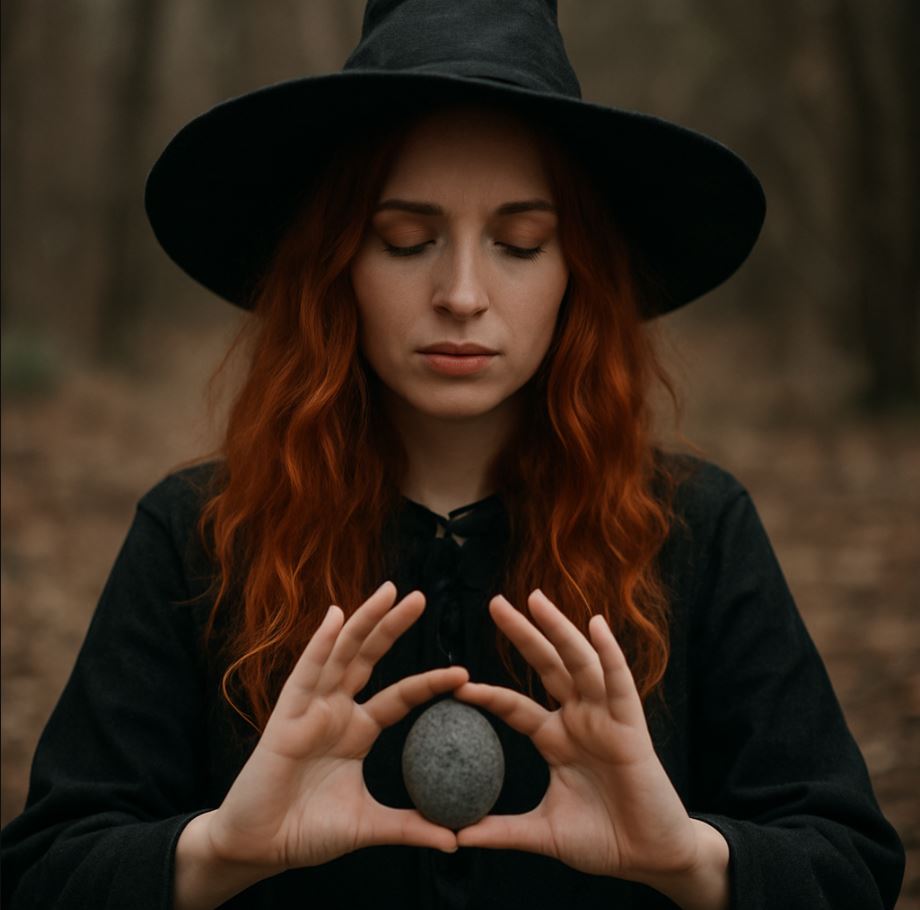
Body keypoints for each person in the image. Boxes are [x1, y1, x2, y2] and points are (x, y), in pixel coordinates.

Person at [0, 2, 905, 908]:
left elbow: (848, 866)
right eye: (407, 240)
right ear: (336, 263)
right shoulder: (200, 537)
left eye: (520, 243)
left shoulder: (694, 532)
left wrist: (694, 861)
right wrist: (212, 855)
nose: (463, 294)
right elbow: (46, 869)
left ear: (577, 271)